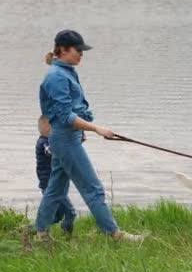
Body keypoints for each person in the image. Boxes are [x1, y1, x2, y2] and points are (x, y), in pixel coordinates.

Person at [35, 29, 143, 242]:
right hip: (64, 140)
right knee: (93, 188)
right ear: (63, 49)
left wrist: (82, 130)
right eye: (78, 50)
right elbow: (65, 116)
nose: (81, 55)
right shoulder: (56, 77)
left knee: (56, 188)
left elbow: (75, 108)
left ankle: (40, 232)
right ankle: (115, 234)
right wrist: (96, 128)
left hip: (68, 138)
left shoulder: (67, 71)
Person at [36, 115, 76, 235]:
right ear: (47, 128)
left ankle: (32, 229)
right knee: (70, 212)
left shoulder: (48, 141)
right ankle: (67, 237)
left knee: (57, 216)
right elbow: (52, 152)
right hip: (50, 184)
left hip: (55, 183)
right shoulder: (43, 142)